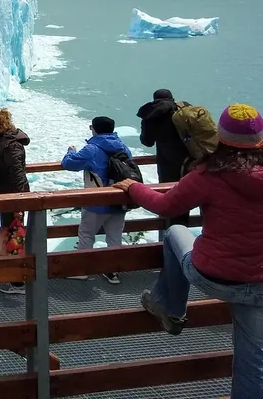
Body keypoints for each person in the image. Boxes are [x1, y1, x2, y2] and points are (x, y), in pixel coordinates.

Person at [115, 104, 263, 399]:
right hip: (260, 283)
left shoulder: (209, 173)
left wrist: (133, 187)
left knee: (175, 232)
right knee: (254, 363)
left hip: (216, 276)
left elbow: (166, 206)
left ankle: (170, 307)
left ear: (220, 135)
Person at [60, 116, 134, 285]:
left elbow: (69, 164)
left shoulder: (92, 148)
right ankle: (112, 272)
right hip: (119, 199)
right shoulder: (123, 147)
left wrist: (71, 150)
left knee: (86, 235)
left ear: (94, 129)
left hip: (97, 201)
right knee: (114, 237)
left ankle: (81, 271)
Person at [0, 108, 30, 296]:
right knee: (10, 235)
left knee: (14, 237)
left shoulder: (11, 145)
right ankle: (12, 277)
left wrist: (18, 205)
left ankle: (17, 282)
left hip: (13, 199)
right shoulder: (1, 143)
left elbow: (17, 175)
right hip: (6, 197)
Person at [137, 88, 190, 227]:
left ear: (154, 100)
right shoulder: (185, 109)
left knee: (171, 200)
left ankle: (169, 238)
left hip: (168, 164)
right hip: (193, 161)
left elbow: (147, 142)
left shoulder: (153, 115)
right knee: (189, 195)